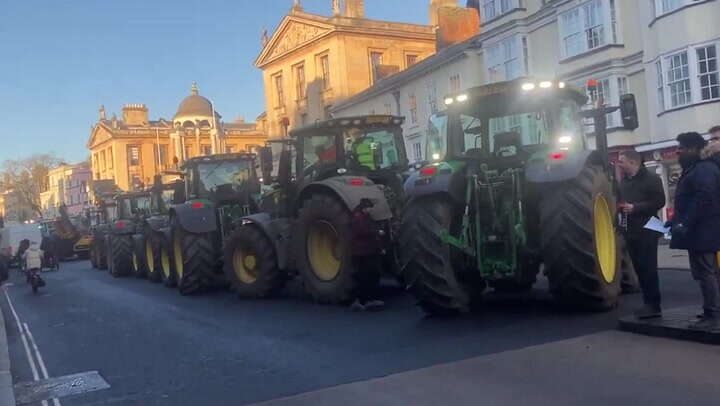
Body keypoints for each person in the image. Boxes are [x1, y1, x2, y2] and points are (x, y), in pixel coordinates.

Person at [669, 132, 720, 329]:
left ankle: (712, 315)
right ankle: (711, 311)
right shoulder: (698, 169)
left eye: (680, 148)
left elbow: (704, 199)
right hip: (699, 231)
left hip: (703, 232)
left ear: (692, 149)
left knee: (706, 273)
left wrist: (685, 223)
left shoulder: (703, 169)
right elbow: (689, 201)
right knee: (704, 272)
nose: (677, 151)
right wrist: (675, 221)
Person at [617, 150, 666, 318]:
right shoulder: (624, 181)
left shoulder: (652, 179)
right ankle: (648, 303)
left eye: (621, 161)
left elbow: (660, 201)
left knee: (648, 268)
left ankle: (654, 305)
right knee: (639, 268)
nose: (619, 164)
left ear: (632, 162)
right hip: (631, 231)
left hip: (649, 229)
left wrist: (635, 208)